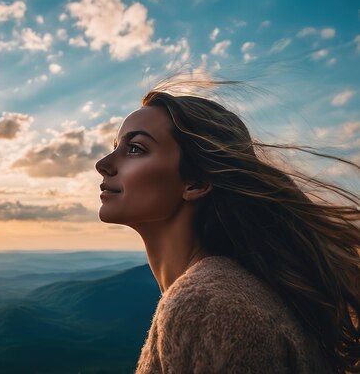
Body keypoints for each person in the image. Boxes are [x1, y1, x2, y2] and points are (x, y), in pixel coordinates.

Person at [94, 84, 360, 373]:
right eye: (116, 148)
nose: (103, 164)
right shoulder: (232, 292)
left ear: (195, 182)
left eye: (135, 149)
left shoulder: (206, 306)